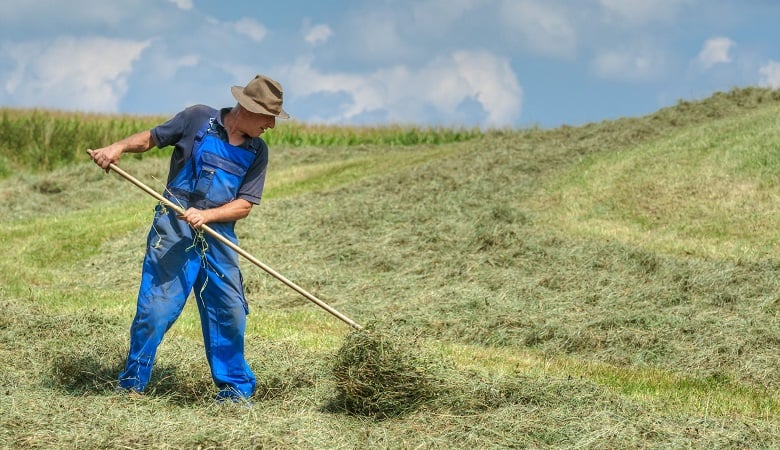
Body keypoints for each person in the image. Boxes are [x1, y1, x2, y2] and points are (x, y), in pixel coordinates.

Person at [89, 74, 289, 403]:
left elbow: (244, 205)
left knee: (230, 312)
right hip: (175, 228)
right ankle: (132, 383)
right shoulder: (198, 119)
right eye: (268, 117)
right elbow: (151, 139)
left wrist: (208, 216)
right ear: (249, 109)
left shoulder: (257, 151)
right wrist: (117, 147)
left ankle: (235, 391)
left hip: (218, 236)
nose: (271, 125)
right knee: (156, 308)